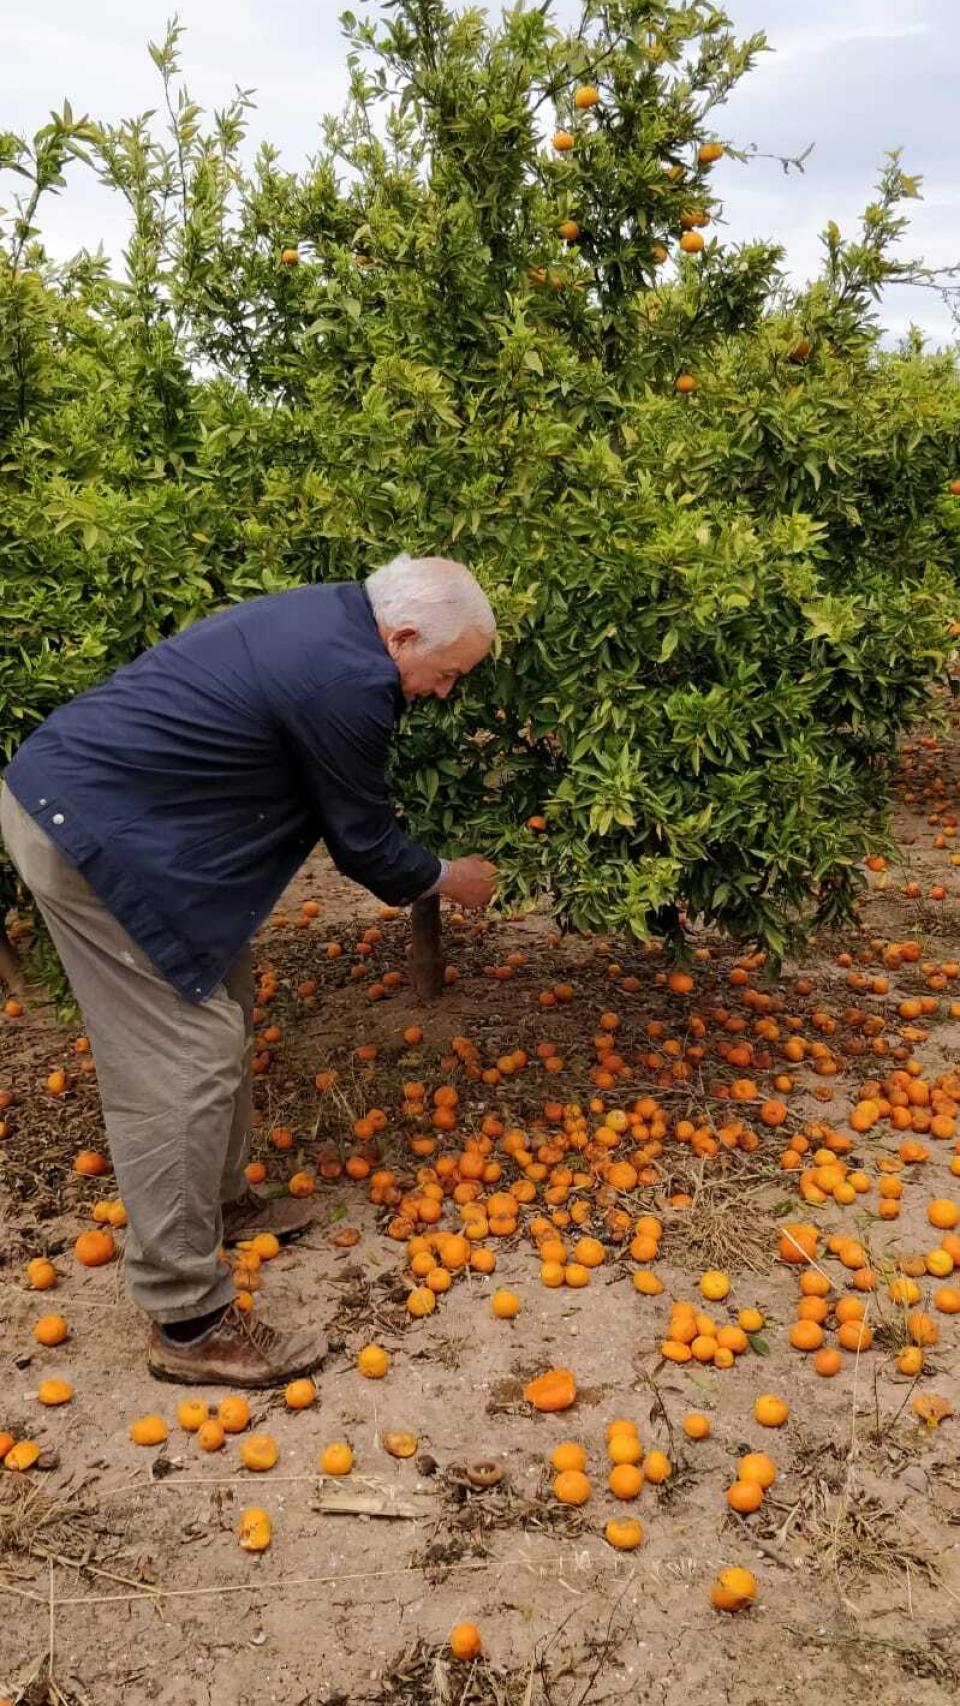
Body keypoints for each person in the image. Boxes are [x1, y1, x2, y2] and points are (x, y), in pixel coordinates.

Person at [0, 554, 497, 1385]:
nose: (443, 693)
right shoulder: (349, 678)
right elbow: (365, 844)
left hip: (141, 829)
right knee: (181, 1061)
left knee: (224, 1000)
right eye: (446, 674)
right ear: (402, 635)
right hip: (94, 834)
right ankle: (187, 1319)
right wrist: (450, 876)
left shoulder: (338, 620)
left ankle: (222, 1204)